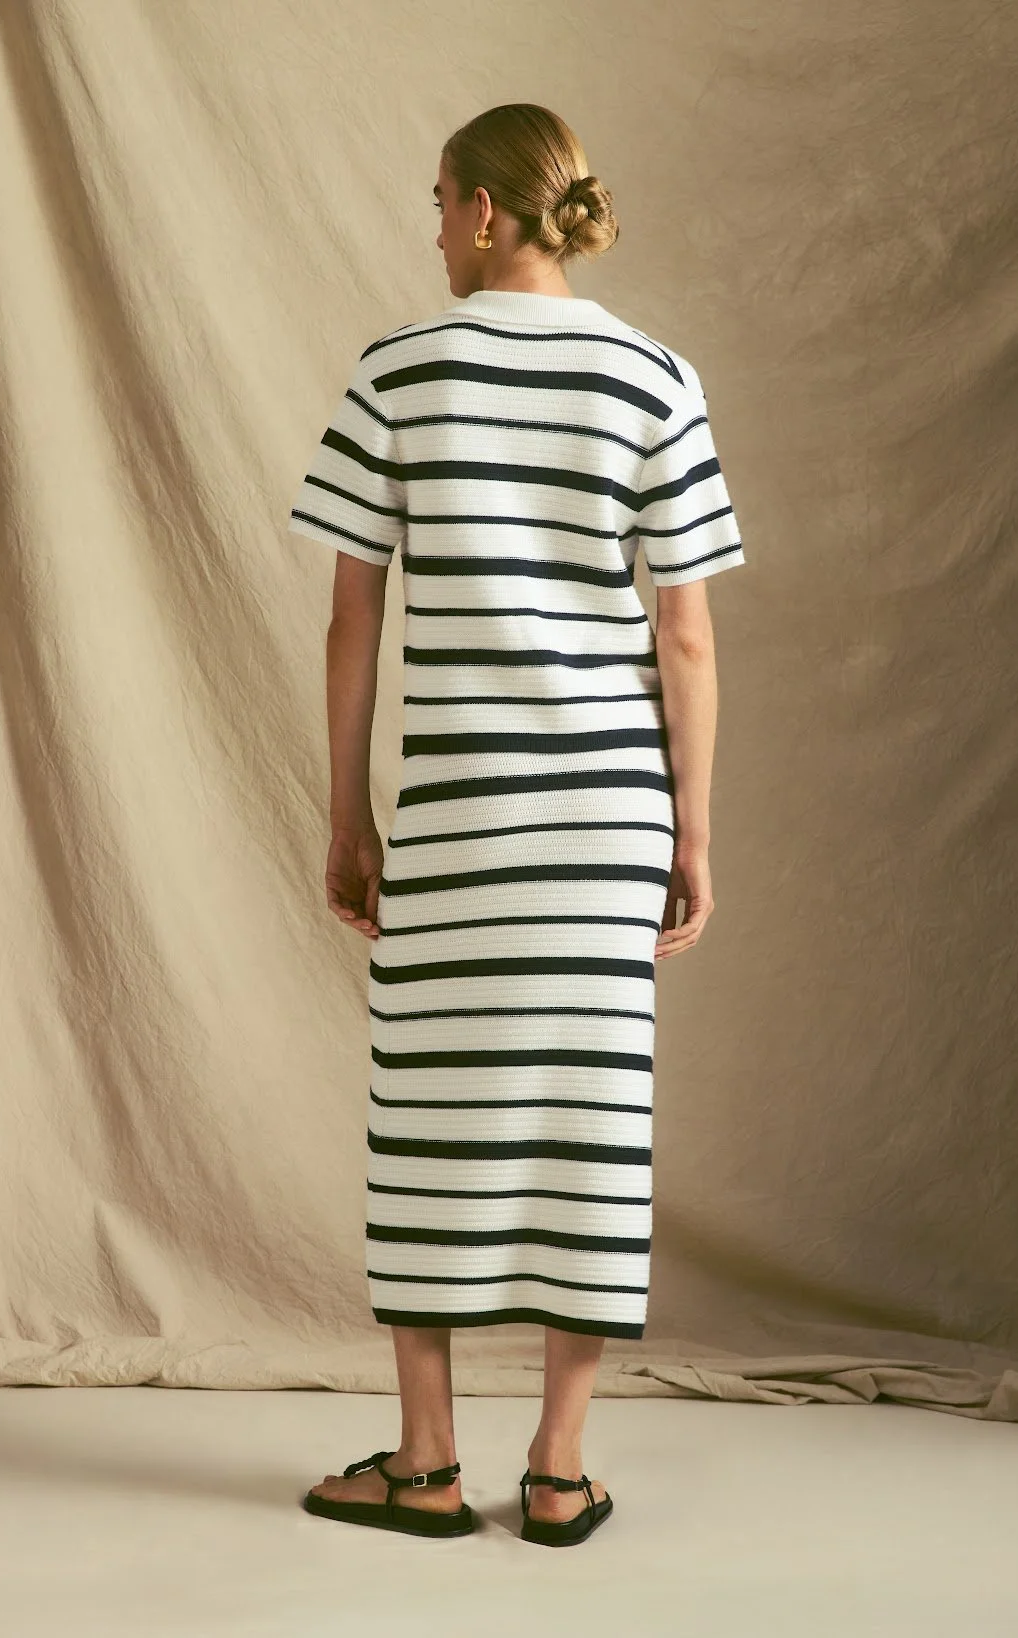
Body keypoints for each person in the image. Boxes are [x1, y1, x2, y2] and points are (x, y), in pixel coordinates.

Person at [287, 103, 746, 1546]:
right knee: (592, 1124)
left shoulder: (399, 371)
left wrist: (349, 812)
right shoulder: (656, 375)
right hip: (608, 815)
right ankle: (558, 1468)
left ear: (488, 211)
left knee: (428, 1120)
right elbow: (685, 636)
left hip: (463, 813)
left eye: (439, 202)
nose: (433, 230)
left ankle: (426, 1462)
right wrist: (691, 835)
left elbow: (352, 617)